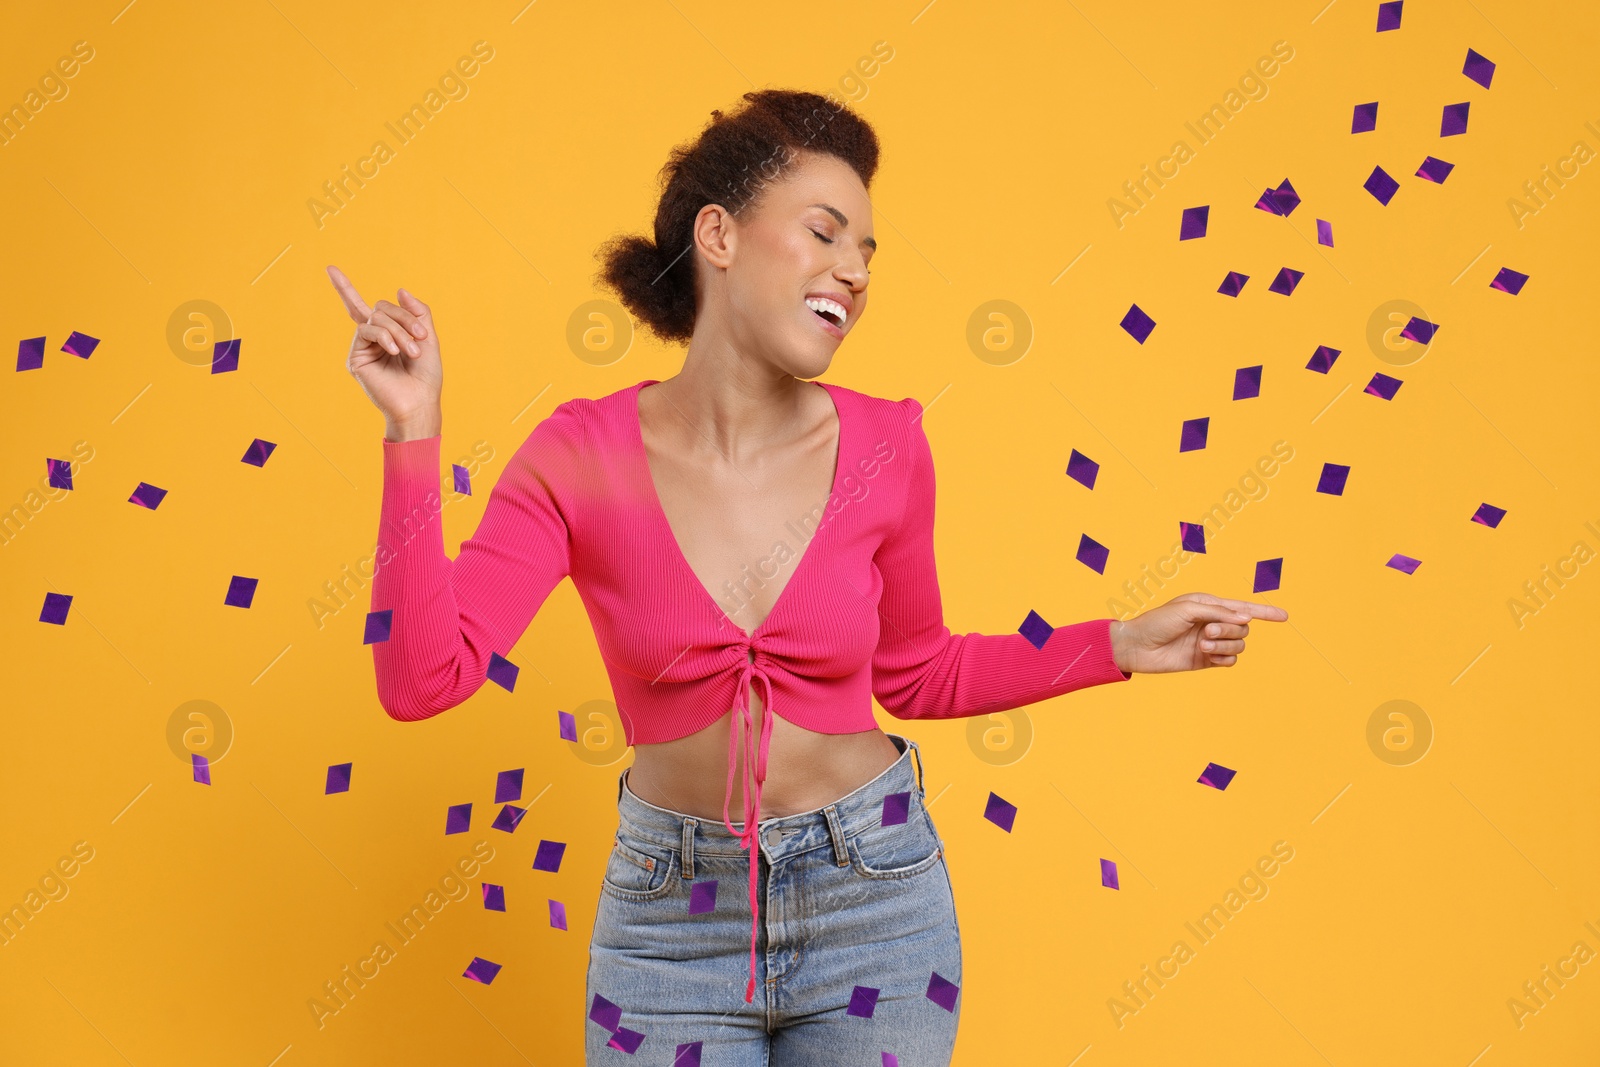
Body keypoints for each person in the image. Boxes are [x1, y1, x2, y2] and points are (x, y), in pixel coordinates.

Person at [327, 88, 1286, 1066]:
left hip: (874, 896)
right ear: (720, 236)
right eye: (825, 232)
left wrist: (1115, 644)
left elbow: (917, 673)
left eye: (867, 251)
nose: (853, 271)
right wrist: (412, 431)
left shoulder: (888, 445)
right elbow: (420, 680)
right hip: (671, 917)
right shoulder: (579, 456)